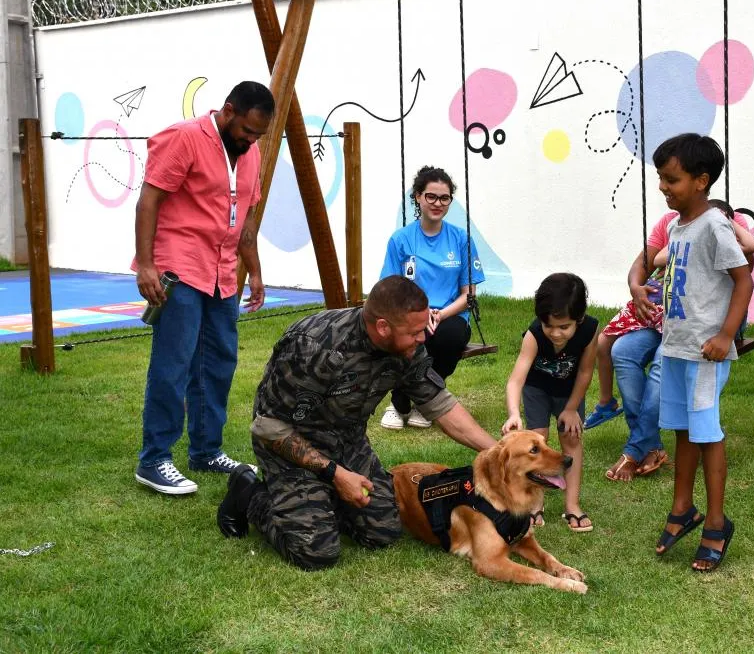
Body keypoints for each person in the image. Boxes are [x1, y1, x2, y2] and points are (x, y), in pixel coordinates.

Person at [215, 276, 497, 570]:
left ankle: (319, 501)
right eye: (415, 332)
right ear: (383, 327)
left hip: (346, 442)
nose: (423, 338)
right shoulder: (313, 345)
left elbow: (440, 406)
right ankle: (248, 494)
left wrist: (501, 453)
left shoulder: (407, 347)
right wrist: (336, 475)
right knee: (316, 552)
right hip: (288, 446)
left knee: (384, 531)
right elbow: (268, 427)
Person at [133, 80, 273, 495]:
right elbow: (149, 200)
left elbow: (246, 219)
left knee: (219, 363)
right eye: (247, 131)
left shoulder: (251, 153)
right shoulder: (184, 138)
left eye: (259, 135)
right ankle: (154, 459)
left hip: (222, 273)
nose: (251, 141)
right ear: (228, 111)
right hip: (179, 267)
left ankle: (206, 451)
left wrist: (256, 272)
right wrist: (146, 265)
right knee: (173, 363)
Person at [650, 133, 753, 572]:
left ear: (701, 180)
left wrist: (727, 336)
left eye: (671, 179)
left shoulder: (715, 224)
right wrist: (645, 290)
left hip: (706, 353)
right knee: (681, 430)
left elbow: (744, 281)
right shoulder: (676, 227)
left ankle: (715, 522)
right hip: (676, 346)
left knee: (707, 434)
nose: (663, 187)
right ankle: (681, 509)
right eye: (660, 178)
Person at [602, 202, 754, 482]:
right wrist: (636, 287)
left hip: (698, 325)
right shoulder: (671, 224)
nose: (664, 187)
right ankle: (649, 443)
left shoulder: (724, 225)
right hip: (664, 316)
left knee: (663, 366)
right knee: (622, 351)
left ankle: (636, 449)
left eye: (672, 179)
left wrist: (727, 220)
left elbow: (747, 267)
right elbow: (646, 261)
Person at [378, 166, 486, 429]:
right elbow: (391, 287)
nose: (438, 203)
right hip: (410, 314)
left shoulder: (462, 238)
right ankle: (403, 402)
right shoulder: (401, 239)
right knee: (405, 338)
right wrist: (419, 315)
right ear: (418, 197)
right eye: (431, 196)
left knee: (448, 337)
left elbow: (468, 293)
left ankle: (417, 401)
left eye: (444, 198)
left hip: (450, 314)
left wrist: (440, 314)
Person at [502, 273, 598, 532]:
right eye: (549, 325)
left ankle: (572, 506)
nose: (555, 333)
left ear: (579, 319)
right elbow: (515, 380)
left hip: (569, 392)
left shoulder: (590, 330)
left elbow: (586, 372)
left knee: (571, 438)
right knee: (537, 440)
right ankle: (535, 504)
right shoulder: (534, 335)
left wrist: (571, 408)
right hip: (537, 390)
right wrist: (513, 413)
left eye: (564, 327)